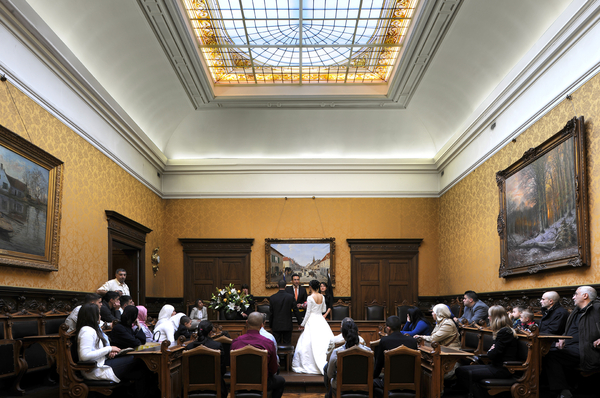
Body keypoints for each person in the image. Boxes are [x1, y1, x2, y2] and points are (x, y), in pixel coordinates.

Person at [76, 303, 156, 397]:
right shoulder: (87, 331)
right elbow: (84, 356)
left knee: (141, 372)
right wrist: (109, 349)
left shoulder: (93, 329)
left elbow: (97, 350)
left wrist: (109, 352)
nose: (100, 316)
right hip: (96, 369)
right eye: (98, 314)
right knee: (138, 359)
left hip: (103, 363)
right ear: (92, 315)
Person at [543, 286, 600, 398]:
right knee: (544, 351)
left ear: (585, 296)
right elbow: (569, 330)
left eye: (575, 294)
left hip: (587, 349)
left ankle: (563, 390)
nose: (573, 297)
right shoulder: (575, 311)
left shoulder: (598, 308)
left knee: (551, 354)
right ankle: (557, 388)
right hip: (570, 346)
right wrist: (562, 338)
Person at [455, 305, 518, 398]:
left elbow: (493, 354)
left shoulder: (504, 332)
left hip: (502, 369)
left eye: (490, 316)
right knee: (460, 370)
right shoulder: (503, 330)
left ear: (495, 317)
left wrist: (491, 350)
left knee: (463, 372)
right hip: (495, 366)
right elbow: (493, 352)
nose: (488, 318)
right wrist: (492, 350)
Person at [231, 312, 285, 398]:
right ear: (261, 325)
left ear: (247, 323)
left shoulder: (236, 342)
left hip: (239, 382)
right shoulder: (268, 343)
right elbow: (273, 368)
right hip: (262, 382)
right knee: (280, 381)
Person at [292, 279, 335, 374]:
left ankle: (310, 364)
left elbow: (307, 314)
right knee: (322, 340)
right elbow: (323, 309)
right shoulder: (322, 297)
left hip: (312, 320)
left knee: (309, 341)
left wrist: (302, 324)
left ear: (310, 287)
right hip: (320, 319)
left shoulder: (310, 297)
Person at [373, 316, 418, 397]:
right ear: (401, 327)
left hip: (389, 382)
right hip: (410, 382)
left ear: (388, 328)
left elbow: (378, 364)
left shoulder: (384, 341)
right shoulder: (412, 341)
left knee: (371, 382)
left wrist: (373, 376)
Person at [327, 318, 371, 398]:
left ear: (343, 336)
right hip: (363, 387)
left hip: (341, 387)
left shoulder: (337, 352)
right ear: (357, 333)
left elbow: (330, 374)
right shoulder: (368, 352)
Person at [186, 320, 228, 398]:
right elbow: (222, 368)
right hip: (215, 385)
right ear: (210, 332)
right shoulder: (217, 346)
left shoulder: (189, 347)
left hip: (193, 386)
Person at [269, 280, 301, 344]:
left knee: (276, 344)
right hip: (287, 324)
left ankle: (277, 354)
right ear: (285, 286)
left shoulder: (272, 297)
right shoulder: (290, 297)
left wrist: (270, 325)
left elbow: (271, 313)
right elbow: (295, 310)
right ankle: (287, 354)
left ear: (277, 286)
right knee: (287, 343)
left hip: (276, 325)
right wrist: (300, 322)